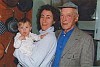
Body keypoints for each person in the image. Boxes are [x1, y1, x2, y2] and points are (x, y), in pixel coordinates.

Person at [52, 1, 94, 67]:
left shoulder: (86, 40)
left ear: (76, 18)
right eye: (62, 15)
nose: (64, 19)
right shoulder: (55, 34)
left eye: (68, 16)